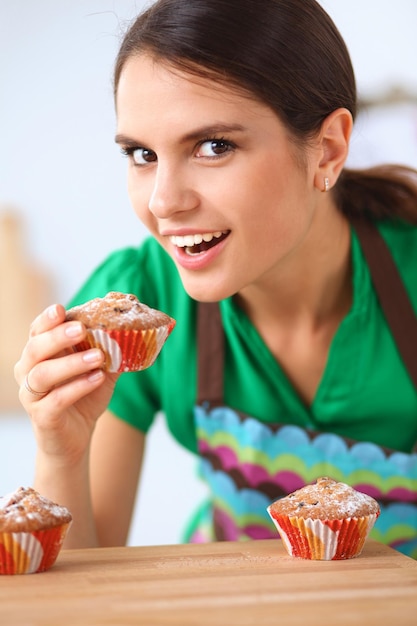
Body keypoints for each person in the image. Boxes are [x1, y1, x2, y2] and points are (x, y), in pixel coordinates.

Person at [15, 0, 417, 557]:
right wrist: (62, 451)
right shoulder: (140, 298)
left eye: (213, 147)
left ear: (327, 150)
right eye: (142, 154)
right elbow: (86, 577)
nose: (163, 202)